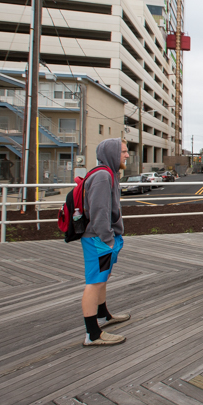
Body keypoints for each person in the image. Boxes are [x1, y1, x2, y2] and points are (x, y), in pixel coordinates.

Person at [80, 138, 131, 346]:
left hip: (101, 239)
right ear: (111, 153)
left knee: (103, 277)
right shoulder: (102, 176)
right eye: (124, 152)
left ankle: (103, 315)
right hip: (98, 240)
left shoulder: (108, 174)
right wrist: (108, 241)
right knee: (95, 282)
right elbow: (99, 213)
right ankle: (92, 334)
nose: (127, 155)